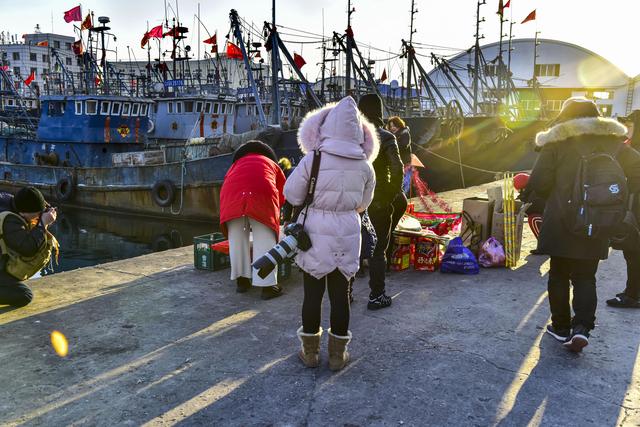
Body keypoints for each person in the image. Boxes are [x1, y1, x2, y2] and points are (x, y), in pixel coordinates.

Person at [527, 97, 640, 352]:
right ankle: (582, 328)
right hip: (598, 221)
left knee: (558, 274)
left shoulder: (557, 141)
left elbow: (539, 182)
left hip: (561, 220)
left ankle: (561, 327)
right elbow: (637, 172)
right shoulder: (613, 141)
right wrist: (616, 202)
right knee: (585, 276)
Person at [284, 96, 377, 371]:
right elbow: (364, 203)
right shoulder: (365, 165)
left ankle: (310, 353)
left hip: (314, 233)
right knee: (341, 295)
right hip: (348, 232)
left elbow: (291, 194)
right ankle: (338, 356)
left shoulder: (314, 159)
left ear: (323, 128)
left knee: (312, 295)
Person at [219, 140, 286, 300]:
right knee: (265, 238)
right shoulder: (271, 164)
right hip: (262, 194)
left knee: (237, 238)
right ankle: (267, 287)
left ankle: (242, 282)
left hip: (232, 196)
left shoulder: (235, 165)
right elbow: (284, 191)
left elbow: (227, 183)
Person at [358, 94, 406, 310]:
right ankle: (377, 296)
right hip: (377, 200)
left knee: (349, 247)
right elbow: (397, 171)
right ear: (379, 111)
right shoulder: (386, 136)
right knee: (378, 250)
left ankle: (345, 294)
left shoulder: (350, 135)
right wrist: (387, 197)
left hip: (352, 199)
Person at [0, 187, 57, 308]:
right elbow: (28, 249)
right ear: (22, 213)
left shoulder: (11, 202)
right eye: (37, 215)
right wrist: (42, 225)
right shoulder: (8, 220)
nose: (37, 217)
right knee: (25, 295)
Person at [607, 114, 640, 308]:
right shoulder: (630, 150)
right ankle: (633, 291)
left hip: (636, 203)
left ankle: (632, 295)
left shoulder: (624, 151)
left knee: (633, 251)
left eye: (630, 124)